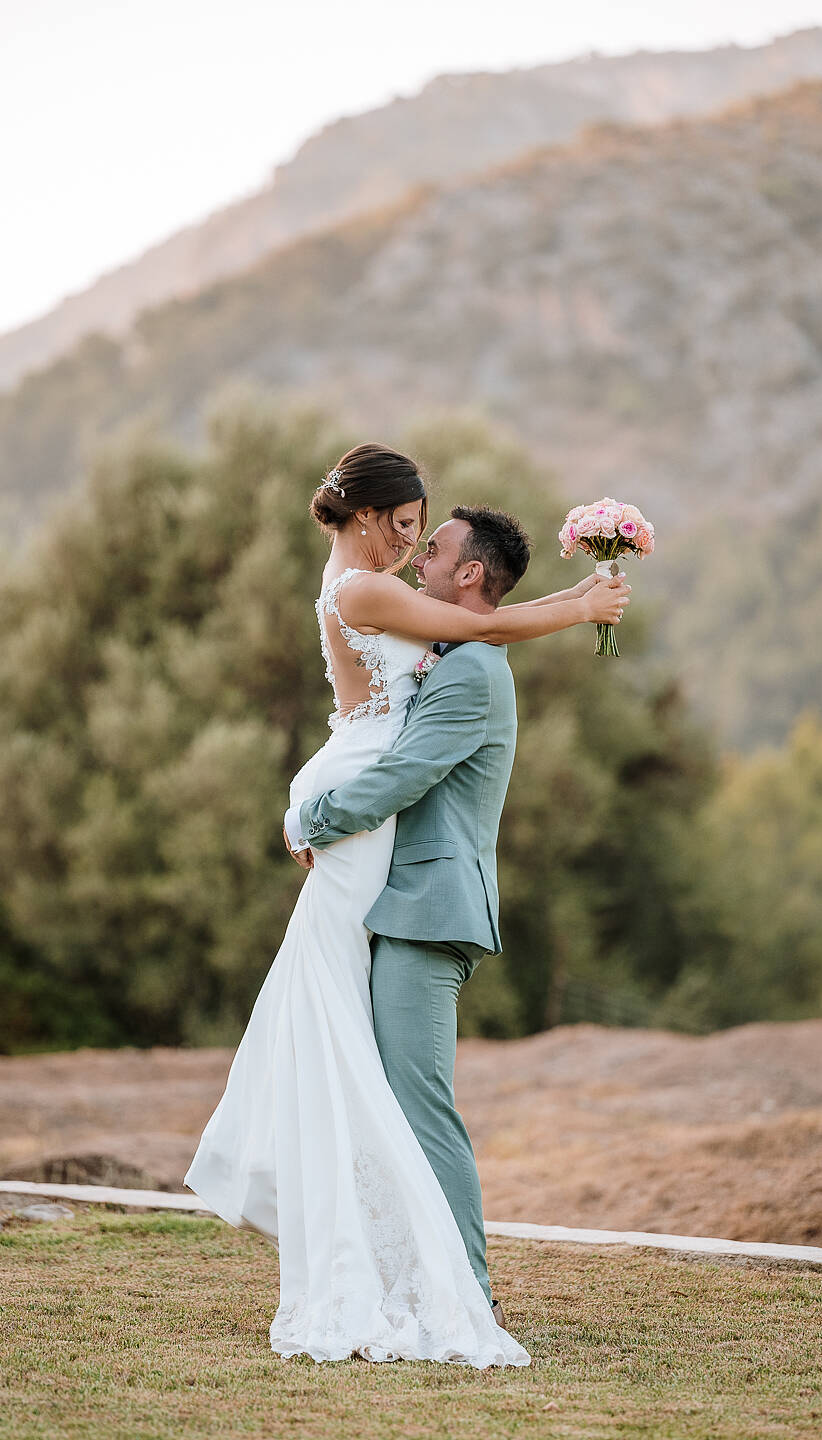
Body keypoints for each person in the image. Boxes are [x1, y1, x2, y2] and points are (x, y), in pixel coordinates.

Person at [184, 442, 629, 1367]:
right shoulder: (370, 596)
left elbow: (463, 667)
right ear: (368, 514)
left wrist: (315, 813)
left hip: (416, 882)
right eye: (407, 529)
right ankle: (418, 1278)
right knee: (370, 1061)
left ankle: (452, 1287)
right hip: (380, 846)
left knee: (404, 1087)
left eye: (431, 543)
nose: (414, 550)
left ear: (468, 571)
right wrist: (580, 604)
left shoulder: (450, 652)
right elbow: (468, 638)